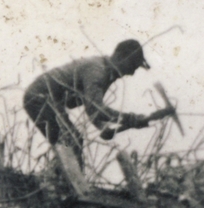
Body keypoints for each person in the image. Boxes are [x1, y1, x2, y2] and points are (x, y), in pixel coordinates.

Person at [23, 39, 164, 155]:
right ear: (121, 56)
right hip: (39, 98)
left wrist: (105, 128)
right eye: (132, 66)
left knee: (71, 142)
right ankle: (65, 183)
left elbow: (94, 112)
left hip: (52, 102)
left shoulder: (107, 74)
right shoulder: (97, 71)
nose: (132, 73)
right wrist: (130, 118)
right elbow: (97, 109)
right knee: (71, 142)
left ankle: (62, 180)